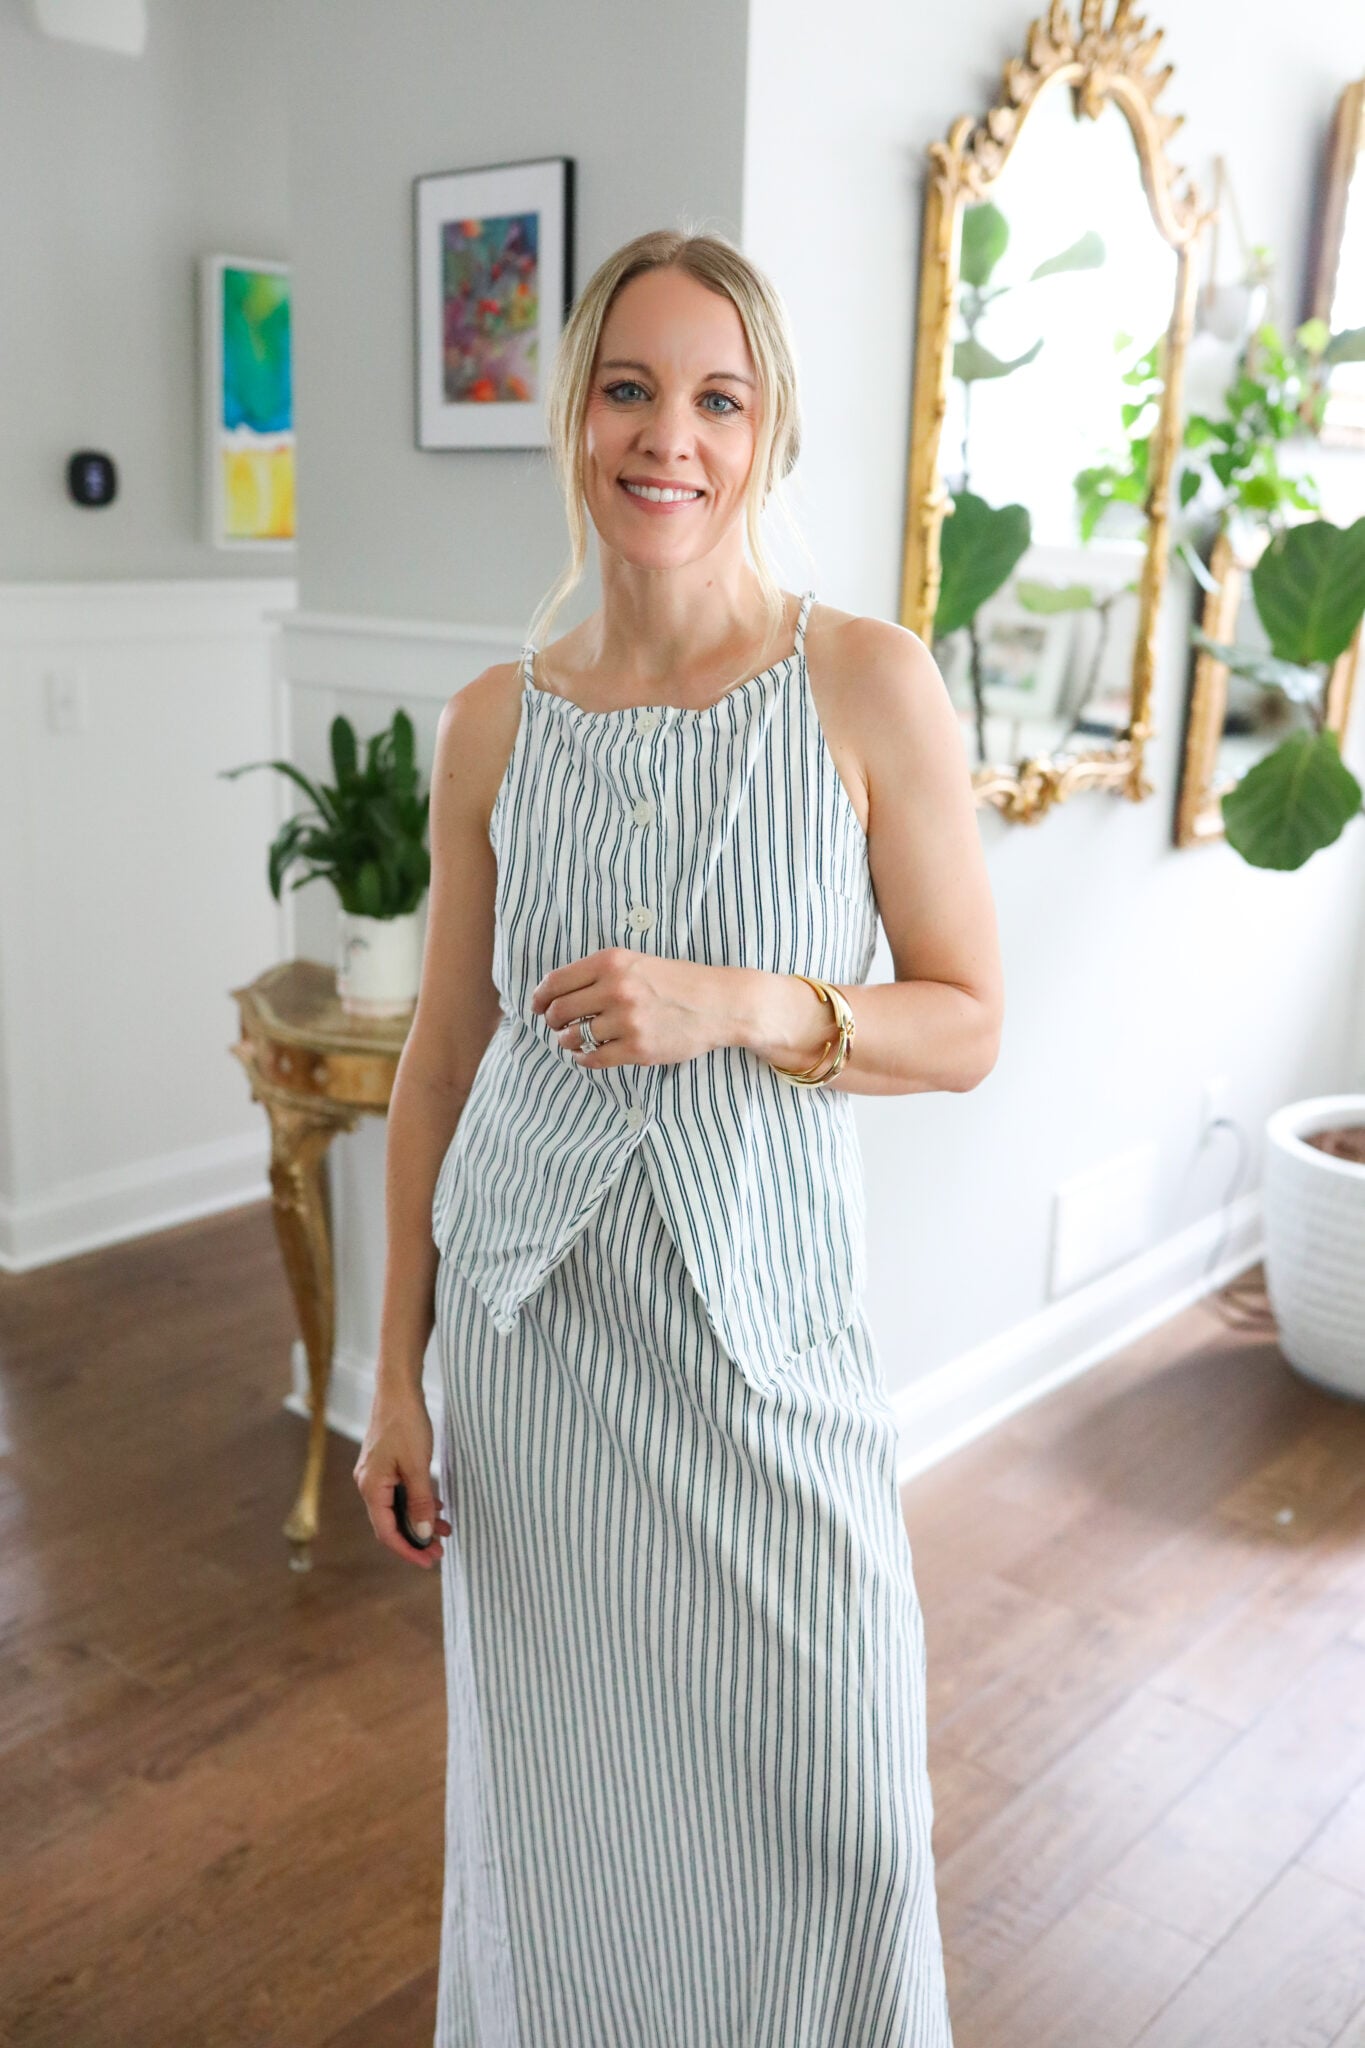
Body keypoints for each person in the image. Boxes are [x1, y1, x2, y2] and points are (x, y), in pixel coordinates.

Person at [355, 223, 1002, 2047]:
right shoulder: (492, 724)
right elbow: (441, 1059)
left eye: (717, 399)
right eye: (629, 390)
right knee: (566, 1834)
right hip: (533, 1357)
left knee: (846, 1826)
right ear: (574, 415)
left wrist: (740, 1006)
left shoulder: (866, 683)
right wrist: (391, 1380)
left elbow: (966, 1024)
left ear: (768, 429)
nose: (669, 437)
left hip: (769, 1354)